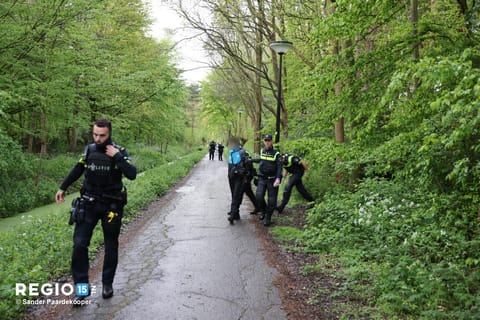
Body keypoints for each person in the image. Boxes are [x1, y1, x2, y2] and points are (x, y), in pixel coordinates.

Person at [55, 119, 137, 304]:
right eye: (95, 135)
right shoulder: (89, 150)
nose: (98, 139)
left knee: (111, 245)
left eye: (102, 135)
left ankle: (107, 284)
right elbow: (78, 168)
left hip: (111, 206)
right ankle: (82, 290)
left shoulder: (119, 151)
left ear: (109, 134)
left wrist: (117, 156)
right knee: (79, 245)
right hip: (88, 204)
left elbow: (132, 174)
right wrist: (63, 187)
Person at [252, 134, 282, 226]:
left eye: (269, 140)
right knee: (258, 197)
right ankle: (264, 211)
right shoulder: (262, 151)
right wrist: (251, 160)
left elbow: (279, 167)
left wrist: (278, 179)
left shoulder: (276, 153)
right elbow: (261, 160)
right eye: (266, 140)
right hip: (262, 178)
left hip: (272, 180)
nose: (267, 142)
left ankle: (268, 217)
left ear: (271, 141)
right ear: (264, 142)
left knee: (272, 201)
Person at [227, 137, 247, 224]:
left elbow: (247, 165)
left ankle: (232, 215)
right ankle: (236, 214)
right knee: (233, 195)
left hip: (239, 177)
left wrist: (245, 177)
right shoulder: (231, 152)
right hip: (231, 177)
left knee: (236, 195)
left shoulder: (242, 152)